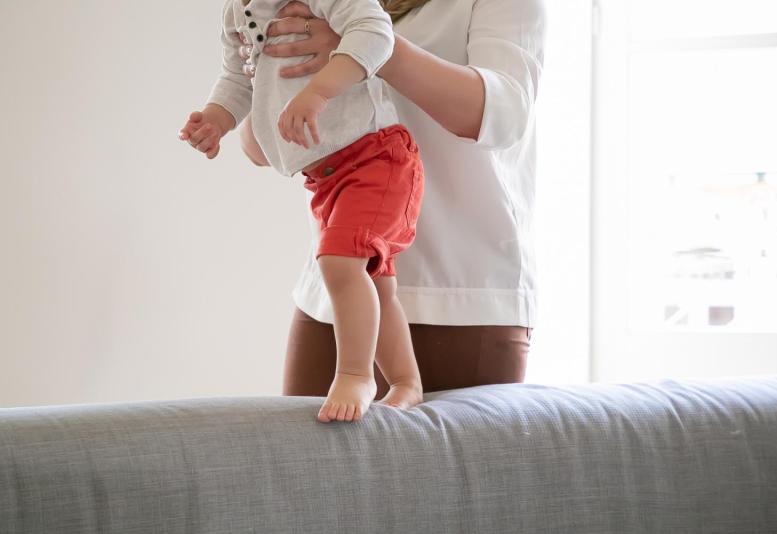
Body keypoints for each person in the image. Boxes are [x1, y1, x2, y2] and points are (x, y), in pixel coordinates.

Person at [240, 0, 545, 411]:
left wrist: (369, 44)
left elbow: (502, 113)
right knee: (297, 455)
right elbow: (261, 150)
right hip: (334, 291)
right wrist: (265, 71)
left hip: (457, 297)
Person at [179, 0, 427, 423]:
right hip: (325, 177)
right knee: (375, 283)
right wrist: (216, 119)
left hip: (376, 158)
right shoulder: (236, 11)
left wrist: (318, 91)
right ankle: (406, 381)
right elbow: (238, 77)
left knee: (339, 262)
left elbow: (375, 32)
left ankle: (355, 375)